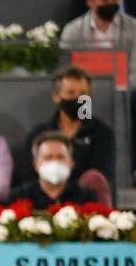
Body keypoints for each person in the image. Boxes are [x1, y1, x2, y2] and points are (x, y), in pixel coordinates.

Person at [25, 65, 116, 193]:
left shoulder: (102, 133)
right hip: (44, 201)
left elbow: (101, 175)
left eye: (83, 93)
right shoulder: (39, 134)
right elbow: (28, 175)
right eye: (71, 93)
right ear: (56, 96)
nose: (78, 99)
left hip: (86, 202)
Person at [60, 0, 136, 88]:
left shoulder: (133, 27)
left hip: (125, 95)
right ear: (90, 1)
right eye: (104, 0)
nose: (110, 4)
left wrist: (119, 90)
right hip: (84, 95)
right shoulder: (73, 30)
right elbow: (66, 70)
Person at [8, 131, 100, 208]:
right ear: (35, 165)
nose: (55, 162)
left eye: (60, 157)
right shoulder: (18, 198)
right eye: (48, 157)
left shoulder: (87, 199)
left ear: (71, 163)